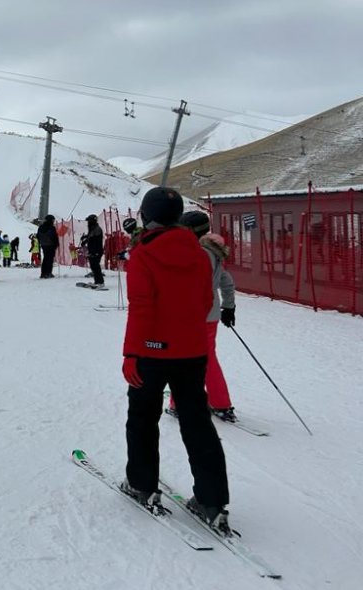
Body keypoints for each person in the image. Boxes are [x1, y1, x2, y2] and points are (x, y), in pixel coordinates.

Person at [120, 186, 231, 534]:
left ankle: (142, 484)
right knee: (198, 423)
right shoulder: (199, 254)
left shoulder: (143, 253)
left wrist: (132, 353)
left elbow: (140, 308)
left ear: (146, 216)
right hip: (192, 352)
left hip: (152, 352)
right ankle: (212, 501)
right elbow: (203, 303)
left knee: (142, 418)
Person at [168, 211, 238, 421]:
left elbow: (191, 285)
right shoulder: (211, 251)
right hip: (208, 315)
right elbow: (225, 281)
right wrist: (228, 306)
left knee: (188, 360)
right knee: (203, 359)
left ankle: (192, 403)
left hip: (195, 316)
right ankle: (217, 402)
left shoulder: (199, 253)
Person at [84, 214, 105, 286]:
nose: (88, 222)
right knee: (93, 266)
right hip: (93, 250)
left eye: (89, 221)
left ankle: (100, 282)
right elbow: (90, 236)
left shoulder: (97, 229)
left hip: (96, 251)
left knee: (95, 266)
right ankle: (97, 281)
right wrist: (85, 238)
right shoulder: (92, 228)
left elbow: (94, 239)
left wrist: (87, 239)